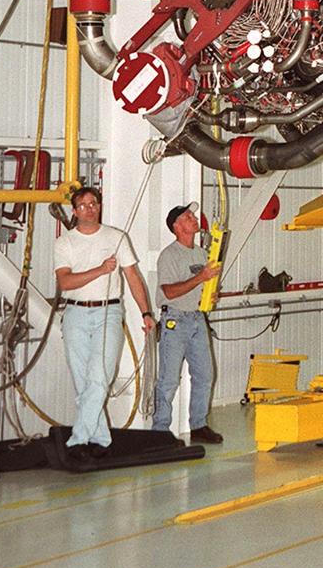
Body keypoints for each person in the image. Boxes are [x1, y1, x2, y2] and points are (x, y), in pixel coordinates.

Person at [54, 186, 155, 460]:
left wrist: (146, 313)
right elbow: (65, 282)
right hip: (75, 314)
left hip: (108, 312)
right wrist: (101, 269)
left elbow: (133, 278)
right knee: (83, 383)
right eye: (83, 205)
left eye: (94, 203)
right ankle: (101, 439)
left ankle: (77, 441)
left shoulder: (116, 237)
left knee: (100, 378)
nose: (90, 208)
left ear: (100, 206)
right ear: (74, 211)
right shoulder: (65, 242)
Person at [151, 202, 223, 443]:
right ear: (177, 226)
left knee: (205, 375)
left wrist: (211, 294)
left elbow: (203, 286)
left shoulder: (201, 254)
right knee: (169, 380)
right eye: (188, 216)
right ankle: (160, 431)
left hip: (197, 319)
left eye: (193, 214)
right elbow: (169, 291)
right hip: (175, 321)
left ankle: (199, 426)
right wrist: (200, 277)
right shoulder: (169, 256)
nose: (194, 218)